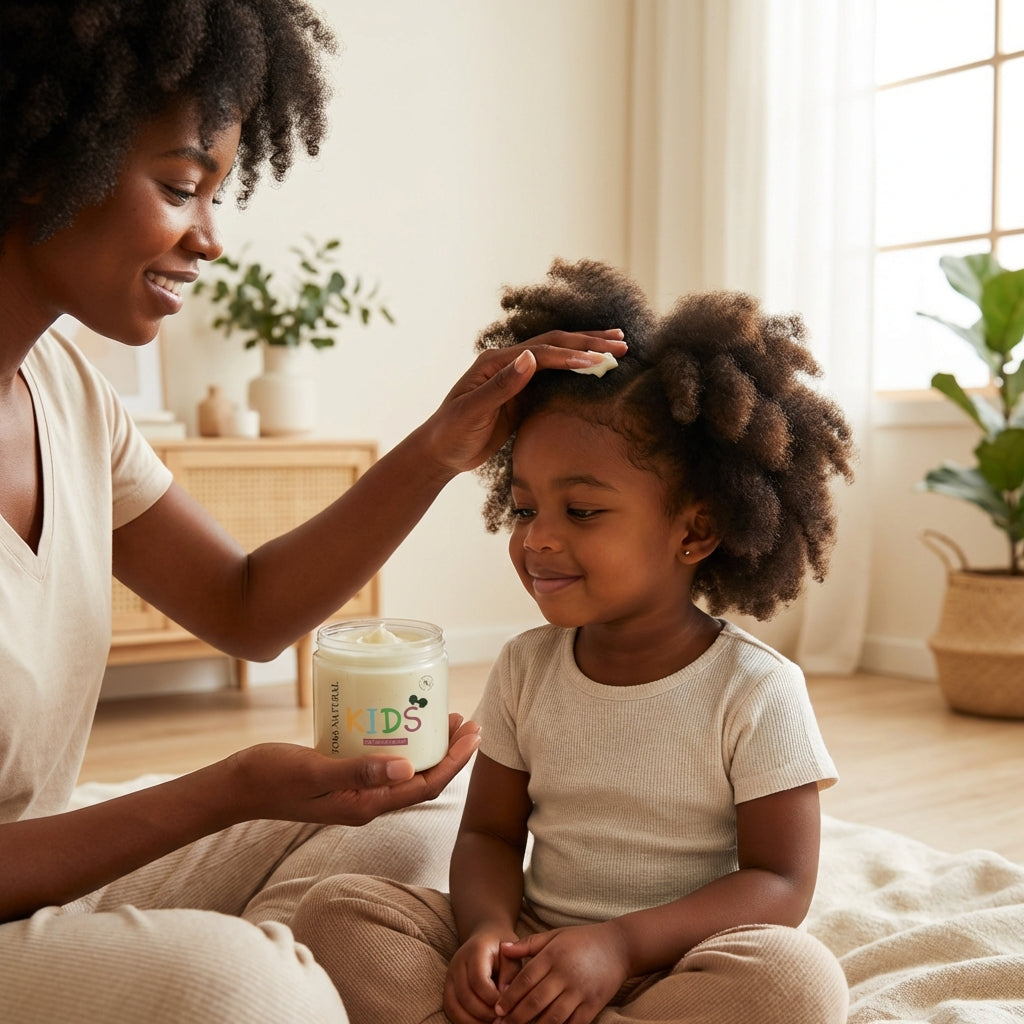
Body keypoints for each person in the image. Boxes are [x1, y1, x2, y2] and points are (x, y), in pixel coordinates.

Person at [0, 5, 626, 1022]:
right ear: (41, 155)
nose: (209, 239)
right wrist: (229, 786)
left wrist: (439, 446)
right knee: (239, 984)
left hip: (37, 884)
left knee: (403, 834)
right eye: (178, 188)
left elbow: (247, 607)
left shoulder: (70, 393)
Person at [289, 258, 854, 1024]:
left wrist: (618, 946)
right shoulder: (527, 666)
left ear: (696, 530)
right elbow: (489, 832)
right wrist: (486, 933)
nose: (538, 541)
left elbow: (781, 884)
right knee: (338, 912)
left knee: (794, 980)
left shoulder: (757, 689)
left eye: (582, 513)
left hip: (673, 965)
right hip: (532, 955)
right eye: (524, 510)